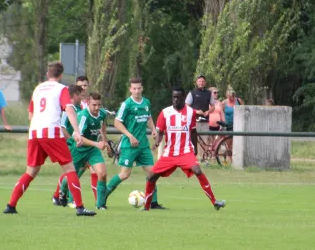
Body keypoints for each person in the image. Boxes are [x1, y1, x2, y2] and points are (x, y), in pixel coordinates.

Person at [3, 61, 95, 216]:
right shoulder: (61, 89)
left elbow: (30, 114)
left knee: (30, 171)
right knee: (70, 169)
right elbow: (70, 109)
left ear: (48, 74)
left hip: (34, 133)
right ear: (60, 75)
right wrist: (77, 132)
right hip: (51, 132)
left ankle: (11, 205)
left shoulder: (38, 89)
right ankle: (80, 207)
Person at [142, 86, 226, 211]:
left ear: (183, 98)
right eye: (174, 97)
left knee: (197, 170)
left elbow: (193, 131)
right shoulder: (165, 112)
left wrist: (195, 149)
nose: (176, 100)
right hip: (170, 153)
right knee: (151, 177)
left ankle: (215, 202)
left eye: (178, 97)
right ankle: (146, 207)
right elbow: (160, 131)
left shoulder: (191, 112)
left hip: (185, 151)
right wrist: (157, 143)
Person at [105, 77, 166, 209]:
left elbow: (148, 117)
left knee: (152, 174)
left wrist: (153, 129)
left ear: (142, 88)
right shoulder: (126, 104)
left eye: (139, 88)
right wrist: (130, 136)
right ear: (130, 89)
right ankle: (103, 196)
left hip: (143, 145)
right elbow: (117, 122)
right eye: (134, 88)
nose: (137, 91)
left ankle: (153, 203)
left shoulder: (146, 102)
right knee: (125, 174)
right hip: (130, 145)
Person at [57, 93, 110, 210]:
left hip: (92, 151)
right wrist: (97, 143)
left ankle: (100, 205)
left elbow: (103, 127)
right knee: (72, 175)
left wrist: (105, 142)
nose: (97, 108)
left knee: (102, 173)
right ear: (88, 103)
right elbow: (78, 137)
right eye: (94, 105)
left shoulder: (102, 113)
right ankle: (63, 190)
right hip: (78, 150)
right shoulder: (83, 116)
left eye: (99, 105)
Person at [50, 84, 83, 205]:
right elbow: (62, 128)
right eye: (81, 95)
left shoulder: (80, 108)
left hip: (80, 144)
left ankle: (63, 196)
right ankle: (63, 196)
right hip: (71, 144)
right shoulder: (67, 109)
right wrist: (72, 140)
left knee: (76, 170)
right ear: (75, 95)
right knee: (72, 170)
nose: (82, 98)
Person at [185, 75, 216, 154]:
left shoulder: (209, 93)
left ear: (205, 83)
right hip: (193, 120)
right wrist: (196, 111)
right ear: (196, 82)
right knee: (194, 139)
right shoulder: (192, 93)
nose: (201, 83)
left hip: (205, 120)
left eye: (203, 81)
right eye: (199, 81)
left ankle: (203, 157)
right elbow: (186, 106)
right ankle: (195, 155)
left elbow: (213, 106)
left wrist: (208, 112)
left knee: (204, 139)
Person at [222, 86, 244, 163]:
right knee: (228, 142)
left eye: (232, 97)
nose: (231, 98)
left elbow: (244, 110)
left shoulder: (238, 101)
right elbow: (221, 112)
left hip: (238, 124)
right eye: (229, 97)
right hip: (228, 124)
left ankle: (237, 158)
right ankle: (230, 159)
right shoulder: (224, 102)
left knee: (237, 141)